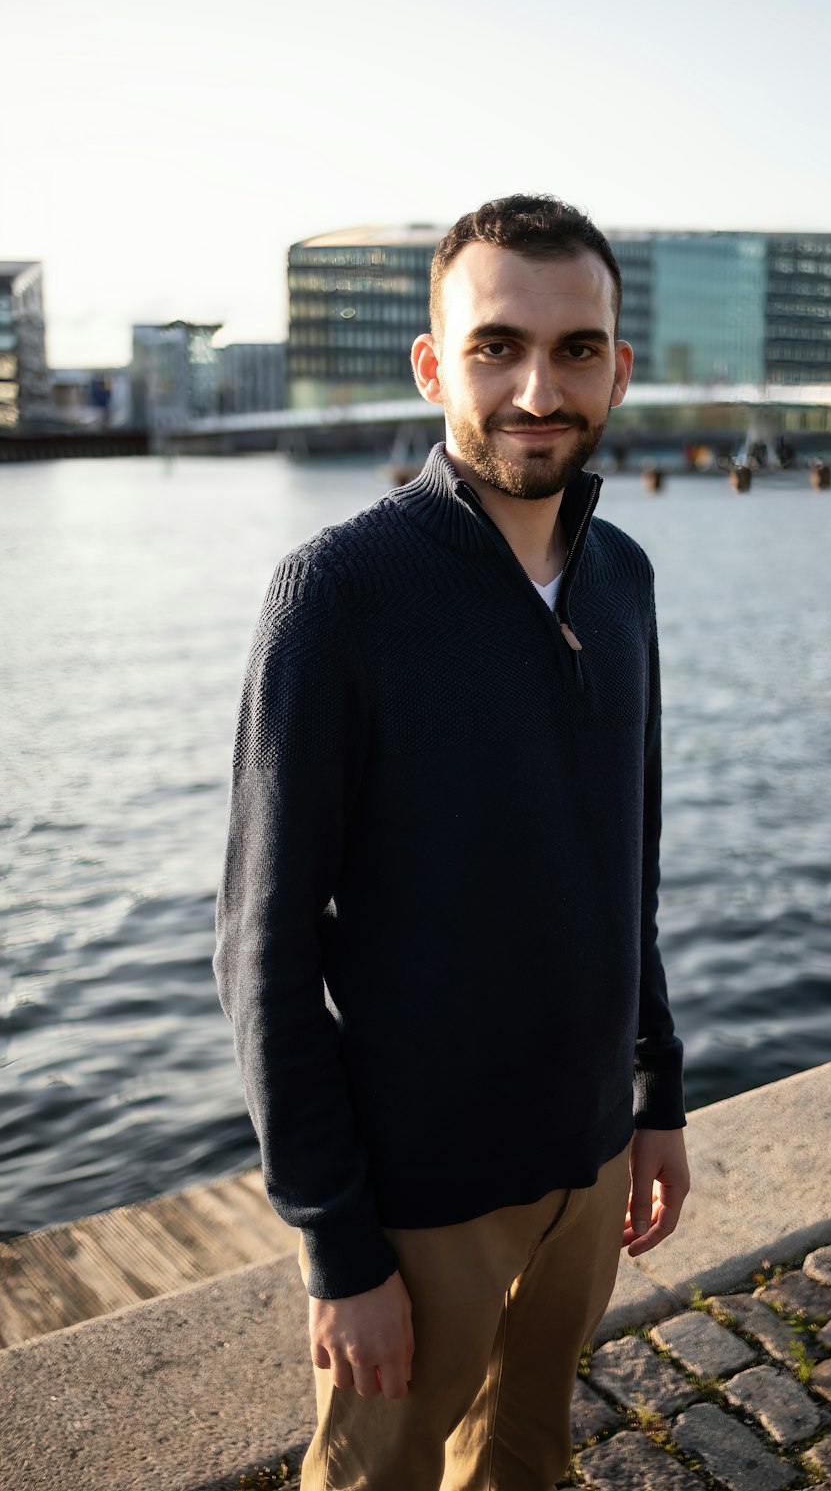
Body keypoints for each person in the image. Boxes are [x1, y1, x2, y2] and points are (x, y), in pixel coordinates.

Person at [215, 194, 689, 1491]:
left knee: (527, 1457)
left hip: (592, 1167)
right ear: (434, 364)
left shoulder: (627, 578)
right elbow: (259, 954)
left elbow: (625, 866)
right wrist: (339, 1246)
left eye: (577, 347)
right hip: (423, 1200)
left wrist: (657, 1096)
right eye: (496, 346)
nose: (539, 387)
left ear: (618, 367)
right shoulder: (340, 595)